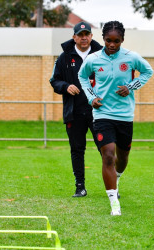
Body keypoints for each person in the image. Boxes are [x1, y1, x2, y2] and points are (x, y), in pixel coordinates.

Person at [78, 21, 154, 215]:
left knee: (123, 157)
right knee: (108, 155)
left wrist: (131, 86)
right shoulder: (94, 59)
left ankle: (117, 177)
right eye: (108, 40)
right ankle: (114, 204)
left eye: (116, 41)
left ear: (122, 40)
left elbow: (148, 71)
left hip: (125, 115)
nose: (112, 44)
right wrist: (91, 97)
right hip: (102, 113)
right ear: (103, 39)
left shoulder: (131, 57)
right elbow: (82, 76)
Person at [50, 22, 103, 197]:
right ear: (74, 37)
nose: (84, 37)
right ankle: (80, 186)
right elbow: (54, 80)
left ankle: (112, 187)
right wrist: (65, 86)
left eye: (87, 34)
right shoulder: (64, 57)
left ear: (91, 36)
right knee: (77, 150)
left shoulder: (102, 55)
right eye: (80, 35)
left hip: (99, 112)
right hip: (74, 112)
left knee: (106, 149)